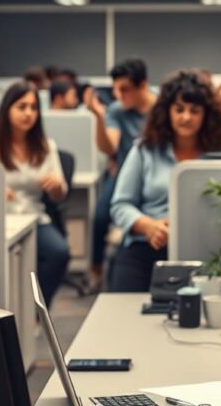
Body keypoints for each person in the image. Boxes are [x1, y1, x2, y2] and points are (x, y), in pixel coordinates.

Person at [109, 70, 221, 292]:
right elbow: (120, 205)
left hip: (207, 250)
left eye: (195, 111)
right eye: (179, 109)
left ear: (206, 115)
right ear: (167, 112)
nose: (186, 117)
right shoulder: (145, 149)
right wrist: (147, 226)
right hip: (147, 246)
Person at [0, 81, 70, 307]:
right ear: (7, 110)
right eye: (22, 107)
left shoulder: (45, 146)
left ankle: (35, 311)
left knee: (59, 252)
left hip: (33, 217)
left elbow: (60, 195)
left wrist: (56, 187)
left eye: (33, 108)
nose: (29, 113)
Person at [82, 58, 157, 288]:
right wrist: (98, 117)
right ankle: (96, 269)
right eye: (115, 88)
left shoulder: (162, 109)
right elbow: (109, 147)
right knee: (101, 217)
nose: (118, 94)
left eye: (125, 89)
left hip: (154, 174)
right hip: (124, 173)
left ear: (142, 85)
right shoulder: (117, 110)